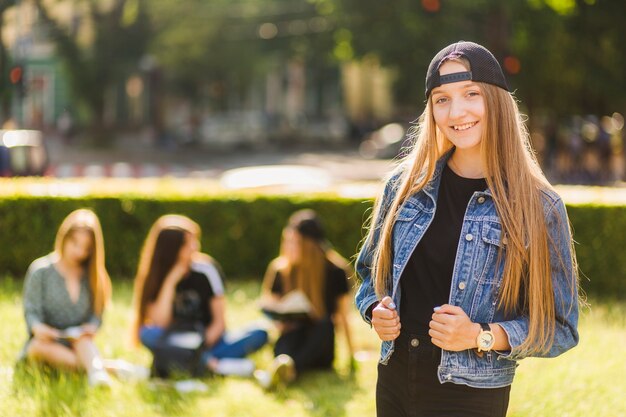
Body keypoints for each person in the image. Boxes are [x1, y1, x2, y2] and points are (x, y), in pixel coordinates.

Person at [355, 41, 580, 417]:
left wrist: (480, 335)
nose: (456, 111)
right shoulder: (403, 186)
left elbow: (560, 328)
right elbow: (368, 276)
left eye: (470, 94)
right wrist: (375, 308)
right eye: (441, 99)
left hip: (470, 395)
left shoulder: (539, 206)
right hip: (393, 379)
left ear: (496, 101)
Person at [131, 214, 268, 377]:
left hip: (210, 341)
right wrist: (170, 282)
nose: (196, 247)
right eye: (189, 244)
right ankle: (215, 366)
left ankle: (193, 362)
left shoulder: (207, 269)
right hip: (174, 341)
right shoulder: (156, 276)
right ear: (172, 249)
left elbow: (219, 322)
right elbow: (161, 323)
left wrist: (197, 348)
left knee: (260, 332)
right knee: (147, 333)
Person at [255, 209, 354, 389]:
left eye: (295, 242)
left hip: (319, 347)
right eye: (288, 241)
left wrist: (351, 356)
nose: (289, 247)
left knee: (324, 324)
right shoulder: (280, 269)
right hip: (292, 338)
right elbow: (273, 310)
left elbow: (343, 317)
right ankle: (284, 367)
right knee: (289, 337)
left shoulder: (336, 271)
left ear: (310, 245)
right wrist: (280, 321)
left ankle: (288, 371)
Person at [22, 209, 114, 387]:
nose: (79, 252)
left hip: (79, 343)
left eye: (86, 248)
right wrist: (39, 328)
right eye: (75, 243)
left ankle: (96, 373)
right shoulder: (41, 271)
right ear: (64, 237)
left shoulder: (93, 276)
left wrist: (92, 327)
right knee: (36, 348)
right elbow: (31, 312)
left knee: (83, 341)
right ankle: (103, 369)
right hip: (47, 343)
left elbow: (97, 315)